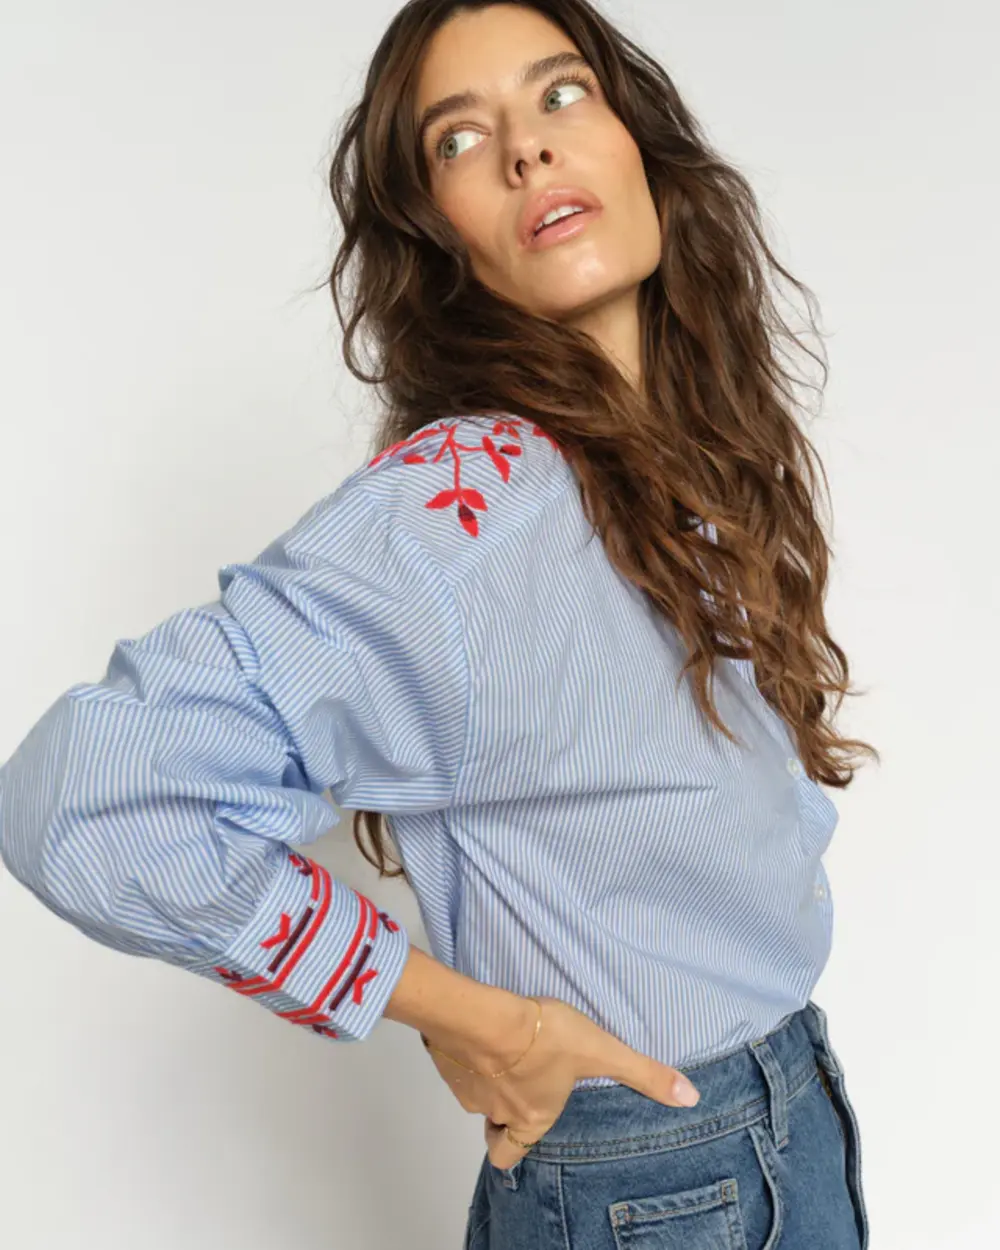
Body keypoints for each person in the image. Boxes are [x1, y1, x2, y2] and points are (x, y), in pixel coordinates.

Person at [0, 1, 876, 1246]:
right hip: (655, 1182)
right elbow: (82, 794)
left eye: (561, 94)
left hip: (780, 1115)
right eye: (460, 140)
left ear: (642, 145)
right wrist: (481, 1021)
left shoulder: (676, 460)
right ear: (437, 239)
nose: (527, 148)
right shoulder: (461, 507)